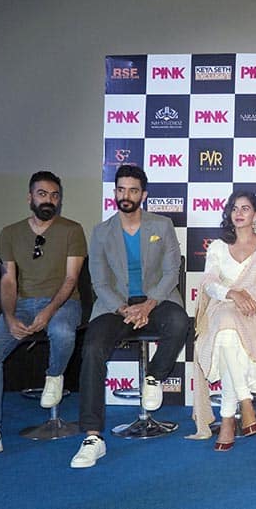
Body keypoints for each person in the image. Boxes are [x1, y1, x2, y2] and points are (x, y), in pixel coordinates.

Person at [70, 165, 189, 468]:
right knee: (92, 347)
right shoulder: (101, 232)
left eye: (133, 190)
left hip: (156, 300)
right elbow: (99, 282)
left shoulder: (162, 225)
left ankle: (154, 377)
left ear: (143, 195)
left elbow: (171, 271)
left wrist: (148, 305)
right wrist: (125, 309)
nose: (126, 195)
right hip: (115, 306)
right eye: (121, 189)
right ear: (115, 193)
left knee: (179, 322)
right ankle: (93, 437)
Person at [0, 171, 86, 456]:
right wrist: (9, 316)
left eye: (54, 196)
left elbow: (71, 279)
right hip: (21, 304)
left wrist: (47, 312)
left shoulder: (72, 230)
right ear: (30, 197)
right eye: (42, 194)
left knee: (62, 331)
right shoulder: (10, 233)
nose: (49, 200)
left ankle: (54, 377)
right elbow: (8, 280)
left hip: (63, 303)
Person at [188, 191, 256, 450]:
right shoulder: (218, 247)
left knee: (227, 334)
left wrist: (248, 297)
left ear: (255, 215)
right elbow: (209, 283)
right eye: (234, 208)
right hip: (222, 307)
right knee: (226, 326)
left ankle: (228, 419)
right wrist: (232, 294)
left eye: (245, 208)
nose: (239, 213)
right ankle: (244, 402)